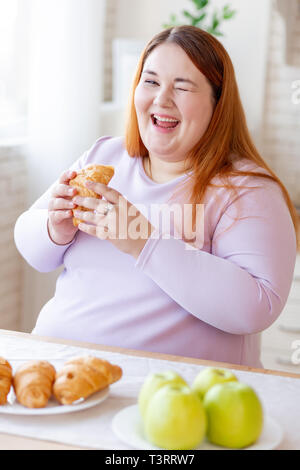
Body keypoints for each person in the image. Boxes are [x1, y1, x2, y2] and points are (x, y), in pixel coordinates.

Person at [14, 26, 298, 368]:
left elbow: (258, 306)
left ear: (217, 104)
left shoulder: (248, 189)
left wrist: (143, 240)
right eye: (150, 82)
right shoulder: (104, 157)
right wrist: (54, 228)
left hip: (162, 397)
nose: (161, 99)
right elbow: (33, 249)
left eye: (182, 87)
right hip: (55, 371)